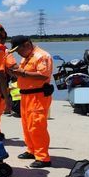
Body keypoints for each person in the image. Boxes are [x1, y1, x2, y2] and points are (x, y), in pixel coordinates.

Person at [9, 35, 54, 168]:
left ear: (27, 44)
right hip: (25, 96)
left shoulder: (42, 56)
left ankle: (43, 157)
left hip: (38, 96)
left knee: (37, 126)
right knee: (27, 125)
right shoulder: (26, 57)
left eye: (19, 50)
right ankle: (31, 150)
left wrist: (22, 73)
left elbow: (43, 75)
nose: (18, 53)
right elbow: (25, 73)